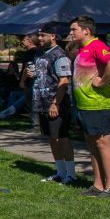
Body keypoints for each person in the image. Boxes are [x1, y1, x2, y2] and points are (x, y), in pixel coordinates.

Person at [70, 15, 110, 197]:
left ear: (86, 31)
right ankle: (98, 185)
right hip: (85, 104)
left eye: (74, 29)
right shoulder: (82, 48)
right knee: (92, 144)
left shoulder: (97, 45)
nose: (70, 33)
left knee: (103, 143)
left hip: (98, 104)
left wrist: (102, 83)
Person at [29, 23, 76, 184]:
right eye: (39, 35)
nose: (40, 38)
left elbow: (64, 80)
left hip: (56, 103)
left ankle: (71, 173)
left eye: (43, 36)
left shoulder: (59, 55)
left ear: (53, 36)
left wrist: (55, 103)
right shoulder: (41, 54)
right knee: (51, 138)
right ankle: (60, 171)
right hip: (42, 102)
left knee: (62, 138)